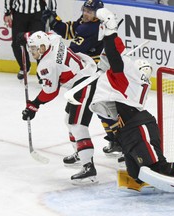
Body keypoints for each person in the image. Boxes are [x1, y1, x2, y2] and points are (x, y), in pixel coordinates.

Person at [86, 8, 174, 194]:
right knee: (136, 173)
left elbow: (115, 56)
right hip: (128, 129)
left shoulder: (127, 77)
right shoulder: (124, 81)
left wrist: (110, 30)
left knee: (160, 169)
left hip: (139, 126)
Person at [41, 0, 122, 163]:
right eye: (85, 10)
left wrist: (51, 47)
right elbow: (70, 30)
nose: (85, 13)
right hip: (87, 75)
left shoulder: (91, 29)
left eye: (89, 12)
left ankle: (122, 143)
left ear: (97, 15)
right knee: (98, 111)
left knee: (94, 112)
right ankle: (115, 142)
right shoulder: (87, 23)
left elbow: (73, 51)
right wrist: (55, 21)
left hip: (94, 75)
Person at [20, 31, 98, 184]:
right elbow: (47, 33)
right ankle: (80, 153)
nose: (32, 52)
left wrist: (34, 105)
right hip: (84, 77)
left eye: (34, 49)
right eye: (31, 48)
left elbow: (51, 92)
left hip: (85, 83)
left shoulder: (46, 65)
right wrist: (27, 36)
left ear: (43, 47)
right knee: (69, 120)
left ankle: (89, 169)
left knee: (77, 125)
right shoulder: (53, 39)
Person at [4, 0, 57, 81]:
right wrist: (7, 12)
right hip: (19, 13)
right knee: (16, 44)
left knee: (40, 44)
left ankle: (42, 72)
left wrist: (52, 12)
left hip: (38, 14)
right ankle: (24, 67)